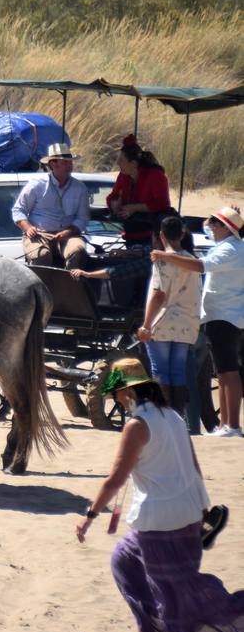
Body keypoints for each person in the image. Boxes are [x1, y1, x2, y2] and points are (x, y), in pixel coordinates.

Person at [76, 358, 244, 632]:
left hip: (159, 521)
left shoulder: (137, 426)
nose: (117, 400)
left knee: (177, 596)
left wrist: (90, 516)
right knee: (124, 559)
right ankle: (156, 625)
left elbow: (115, 480)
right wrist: (202, 508)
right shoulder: (173, 416)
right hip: (187, 512)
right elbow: (194, 466)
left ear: (128, 392)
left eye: (117, 394)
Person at [152, 206, 244, 437]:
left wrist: (165, 255)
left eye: (215, 223)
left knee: (229, 372)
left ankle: (232, 424)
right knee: (222, 372)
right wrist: (229, 215)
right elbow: (204, 225)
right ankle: (225, 424)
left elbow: (200, 266)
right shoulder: (230, 245)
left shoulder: (230, 250)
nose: (210, 226)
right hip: (221, 314)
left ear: (225, 228)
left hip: (224, 315)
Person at [130, 217, 202, 417]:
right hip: (186, 323)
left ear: (161, 236)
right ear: (182, 234)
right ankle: (177, 417)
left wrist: (146, 325)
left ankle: (162, 417)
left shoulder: (162, 262)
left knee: (160, 371)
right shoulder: (191, 260)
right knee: (178, 372)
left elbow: (159, 295)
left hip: (163, 322)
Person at [11, 143, 90, 269]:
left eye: (70, 162)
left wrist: (68, 232)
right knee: (42, 255)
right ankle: (42, 288)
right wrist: (28, 228)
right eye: (65, 162)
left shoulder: (79, 188)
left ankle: (72, 286)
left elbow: (83, 218)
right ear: (53, 164)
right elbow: (18, 210)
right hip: (40, 235)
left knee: (77, 251)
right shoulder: (37, 185)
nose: (70, 165)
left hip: (68, 235)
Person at [107, 134, 171, 247]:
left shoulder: (155, 175)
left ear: (133, 163)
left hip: (153, 238)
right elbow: (113, 196)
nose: (118, 163)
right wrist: (114, 205)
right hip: (130, 234)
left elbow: (163, 204)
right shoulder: (123, 176)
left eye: (121, 160)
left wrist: (134, 208)